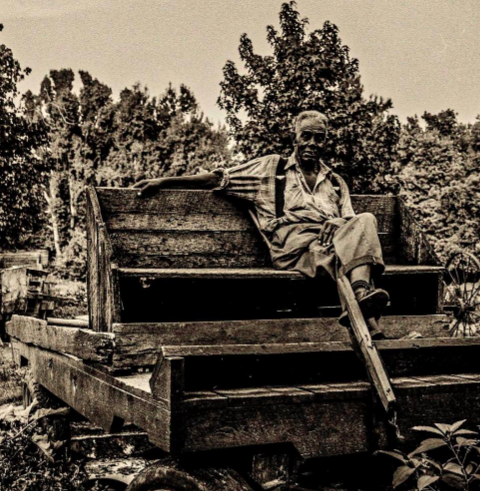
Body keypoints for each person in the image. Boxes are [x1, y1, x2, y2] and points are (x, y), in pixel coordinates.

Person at [133, 110, 391, 338]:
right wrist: (164, 182)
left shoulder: (335, 181)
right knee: (350, 256)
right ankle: (366, 311)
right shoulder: (271, 168)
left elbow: (353, 223)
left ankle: (360, 302)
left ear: (326, 142)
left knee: (366, 220)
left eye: (319, 138)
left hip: (330, 247)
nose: (312, 143)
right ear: (294, 138)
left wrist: (337, 221)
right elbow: (217, 179)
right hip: (295, 249)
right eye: (306, 136)